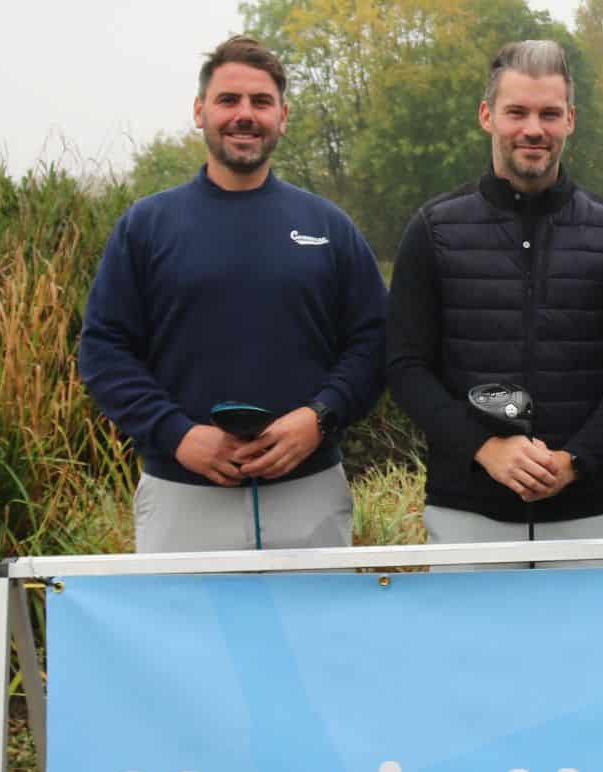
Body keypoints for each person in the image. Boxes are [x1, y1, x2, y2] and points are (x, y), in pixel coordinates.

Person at [79, 35, 386, 555]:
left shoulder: (328, 227)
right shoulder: (146, 226)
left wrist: (320, 418)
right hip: (182, 494)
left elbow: (375, 343)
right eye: (228, 100)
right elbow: (104, 351)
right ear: (200, 112)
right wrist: (175, 433)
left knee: (311, 637)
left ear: (282, 117)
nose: (245, 115)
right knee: (183, 640)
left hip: (308, 493)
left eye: (261, 103)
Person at [386, 40, 603, 570]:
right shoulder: (433, 230)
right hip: (468, 515)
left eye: (549, 113)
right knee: (473, 655)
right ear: (488, 115)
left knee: (589, 655)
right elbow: (405, 365)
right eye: (518, 111)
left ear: (570, 121)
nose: (534, 128)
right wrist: (484, 450)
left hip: (589, 518)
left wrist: (574, 461)